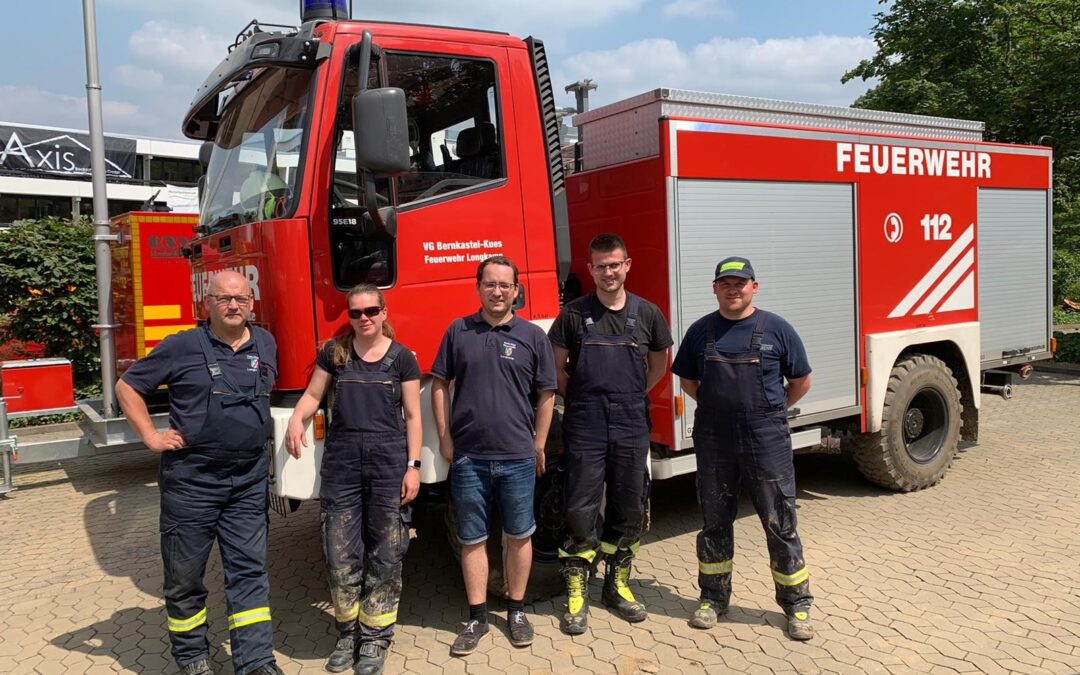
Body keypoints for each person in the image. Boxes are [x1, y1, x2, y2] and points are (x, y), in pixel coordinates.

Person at [115, 271, 283, 675]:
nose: (233, 306)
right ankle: (192, 658)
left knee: (249, 572)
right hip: (193, 482)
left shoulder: (265, 342)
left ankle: (256, 661)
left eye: (241, 299)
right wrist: (150, 437)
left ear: (251, 303)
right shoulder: (182, 346)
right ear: (207, 303)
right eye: (224, 299)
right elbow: (127, 387)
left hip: (247, 478)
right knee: (185, 576)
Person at [670, 256, 816, 641]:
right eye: (726, 284)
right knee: (715, 521)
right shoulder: (701, 331)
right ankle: (713, 599)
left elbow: (801, 380)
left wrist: (771, 411)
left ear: (755, 286)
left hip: (765, 438)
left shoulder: (777, 329)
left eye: (741, 283)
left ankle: (796, 605)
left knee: (779, 522)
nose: (733, 290)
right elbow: (688, 380)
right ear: (715, 289)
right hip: (715, 440)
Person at [285, 284, 422, 675]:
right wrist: (297, 417)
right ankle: (348, 633)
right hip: (343, 464)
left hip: (388, 463)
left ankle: (376, 638)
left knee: (386, 551)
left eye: (371, 310)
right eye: (356, 312)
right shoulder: (335, 352)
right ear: (349, 315)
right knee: (339, 555)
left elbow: (413, 416)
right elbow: (314, 394)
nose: (364, 318)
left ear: (384, 311)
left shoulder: (402, 360)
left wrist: (413, 466)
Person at [430, 255, 557, 656]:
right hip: (470, 457)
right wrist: (445, 439)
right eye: (490, 284)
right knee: (472, 539)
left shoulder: (533, 336)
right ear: (478, 287)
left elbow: (547, 394)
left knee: (519, 536)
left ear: (517, 290)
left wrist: (538, 444)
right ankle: (477, 616)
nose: (498, 291)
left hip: (518, 456)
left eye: (505, 285)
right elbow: (438, 385)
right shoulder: (458, 331)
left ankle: (516, 612)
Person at [547, 233, 672, 634]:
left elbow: (658, 366)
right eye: (600, 266)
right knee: (580, 506)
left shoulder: (648, 314)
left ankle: (617, 585)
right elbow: (557, 369)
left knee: (629, 504)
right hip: (585, 421)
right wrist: (586, 399)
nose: (608, 272)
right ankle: (578, 589)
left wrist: (630, 396)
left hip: (631, 421)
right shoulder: (573, 314)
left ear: (627, 265)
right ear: (591, 268)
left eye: (615, 264)